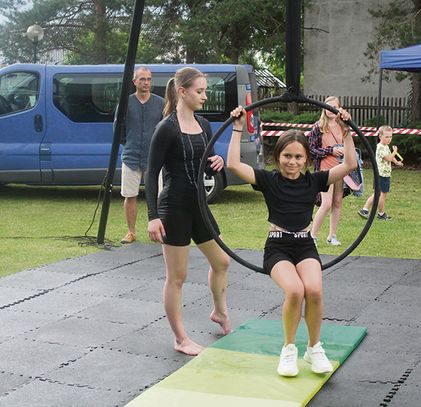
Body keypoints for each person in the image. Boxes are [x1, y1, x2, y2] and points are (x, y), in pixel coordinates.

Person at [228, 105, 356, 377]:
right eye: (287, 156)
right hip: (277, 246)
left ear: (306, 159)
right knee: (296, 291)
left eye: (298, 157)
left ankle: (313, 348)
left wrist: (346, 133)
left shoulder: (314, 181)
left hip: (305, 245)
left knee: (315, 291)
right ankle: (288, 350)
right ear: (278, 156)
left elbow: (349, 165)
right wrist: (238, 128)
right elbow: (233, 165)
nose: (292, 161)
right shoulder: (269, 180)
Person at [145, 68, 231, 356]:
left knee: (221, 262)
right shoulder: (166, 128)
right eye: (200, 91)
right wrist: (153, 216)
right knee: (177, 277)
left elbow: (203, 161)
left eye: (205, 91)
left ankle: (219, 311)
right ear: (182, 91)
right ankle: (180, 338)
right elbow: (151, 172)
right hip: (174, 208)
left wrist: (215, 161)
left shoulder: (204, 125)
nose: (205, 96)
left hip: (199, 207)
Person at [119, 66, 164, 244]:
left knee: (159, 196)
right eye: (142, 79)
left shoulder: (161, 103)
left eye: (149, 79)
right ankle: (131, 232)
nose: (146, 83)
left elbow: (165, 129)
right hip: (131, 157)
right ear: (134, 81)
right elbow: (119, 129)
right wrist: (130, 143)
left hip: (154, 159)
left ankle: (159, 231)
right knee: (130, 195)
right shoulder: (125, 102)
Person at [307, 96, 350, 246]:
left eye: (333, 106)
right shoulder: (318, 127)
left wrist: (345, 151)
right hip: (325, 170)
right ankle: (312, 235)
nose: (330, 110)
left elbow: (349, 146)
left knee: (337, 202)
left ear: (339, 108)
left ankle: (332, 235)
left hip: (341, 169)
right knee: (326, 204)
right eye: (327, 106)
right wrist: (330, 151)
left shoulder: (343, 126)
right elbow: (311, 149)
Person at [358, 125, 403, 221]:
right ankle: (368, 210)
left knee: (380, 194)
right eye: (386, 137)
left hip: (385, 174)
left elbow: (391, 158)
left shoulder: (385, 146)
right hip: (381, 174)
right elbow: (389, 157)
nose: (389, 139)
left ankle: (377, 212)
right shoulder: (380, 147)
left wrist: (396, 162)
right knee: (379, 194)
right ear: (380, 136)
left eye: (390, 137)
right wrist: (395, 151)